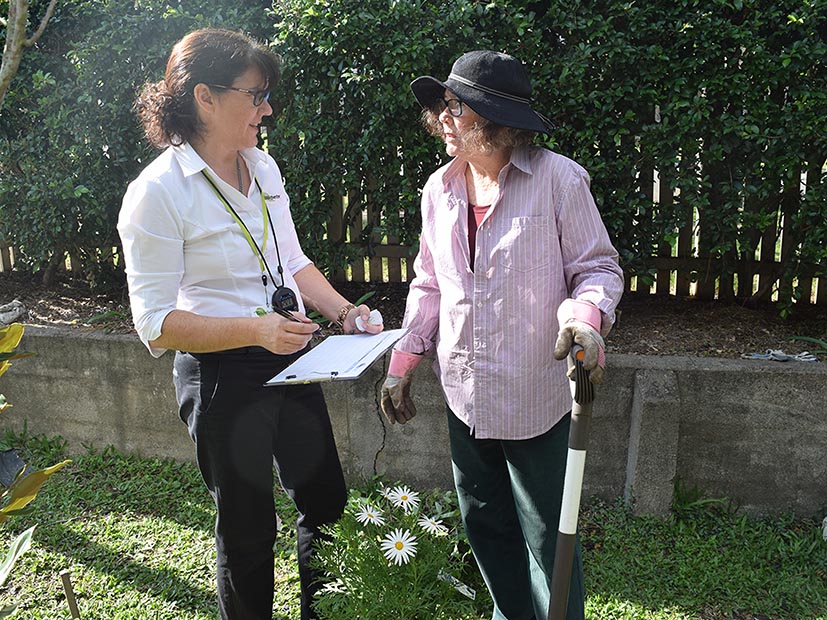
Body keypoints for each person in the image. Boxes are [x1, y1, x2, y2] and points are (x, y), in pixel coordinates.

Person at [117, 27, 383, 620]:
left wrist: (342, 311)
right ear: (205, 97)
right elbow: (155, 326)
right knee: (246, 526)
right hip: (220, 373)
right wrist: (255, 330)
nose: (267, 109)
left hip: (286, 353)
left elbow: (293, 261)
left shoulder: (262, 167)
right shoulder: (156, 193)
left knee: (325, 498)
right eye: (256, 94)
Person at [380, 50, 624, 620]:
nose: (443, 119)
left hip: (533, 395)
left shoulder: (560, 181)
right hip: (465, 397)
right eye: (444, 106)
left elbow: (598, 269)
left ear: (495, 123)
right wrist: (404, 361)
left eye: (456, 108)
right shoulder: (438, 190)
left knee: (549, 536)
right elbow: (430, 283)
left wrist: (586, 318)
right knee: (485, 525)